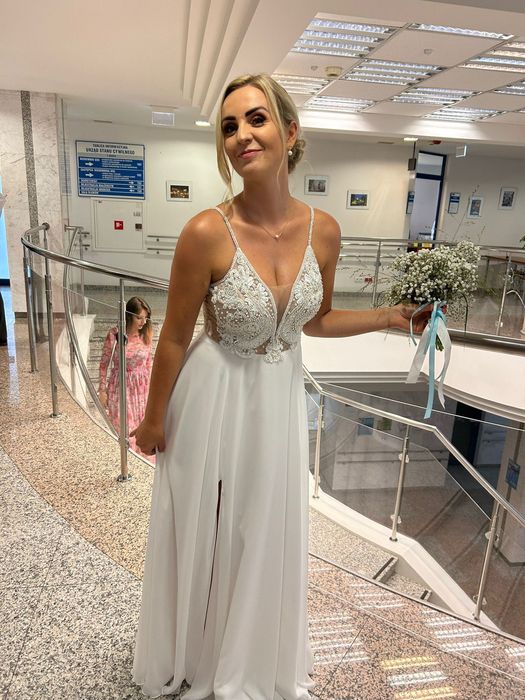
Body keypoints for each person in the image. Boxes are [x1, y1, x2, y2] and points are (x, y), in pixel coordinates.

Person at [131, 74, 429, 699]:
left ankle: (249, 659)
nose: (242, 135)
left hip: (277, 399)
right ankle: (198, 656)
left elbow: (313, 320)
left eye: (256, 119)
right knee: (210, 530)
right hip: (212, 397)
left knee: (264, 528)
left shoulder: (324, 230)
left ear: (290, 133)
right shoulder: (205, 233)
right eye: (229, 126)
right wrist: (154, 419)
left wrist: (390, 317)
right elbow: (176, 338)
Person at [98, 296, 153, 460]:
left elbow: (148, 364)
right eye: (139, 318)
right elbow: (103, 364)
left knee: (140, 429)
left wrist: (153, 392)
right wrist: (102, 391)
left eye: (146, 318)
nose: (143, 322)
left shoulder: (146, 334)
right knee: (125, 429)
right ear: (129, 316)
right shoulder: (114, 335)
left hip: (141, 391)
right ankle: (125, 463)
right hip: (120, 388)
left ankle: (140, 465)